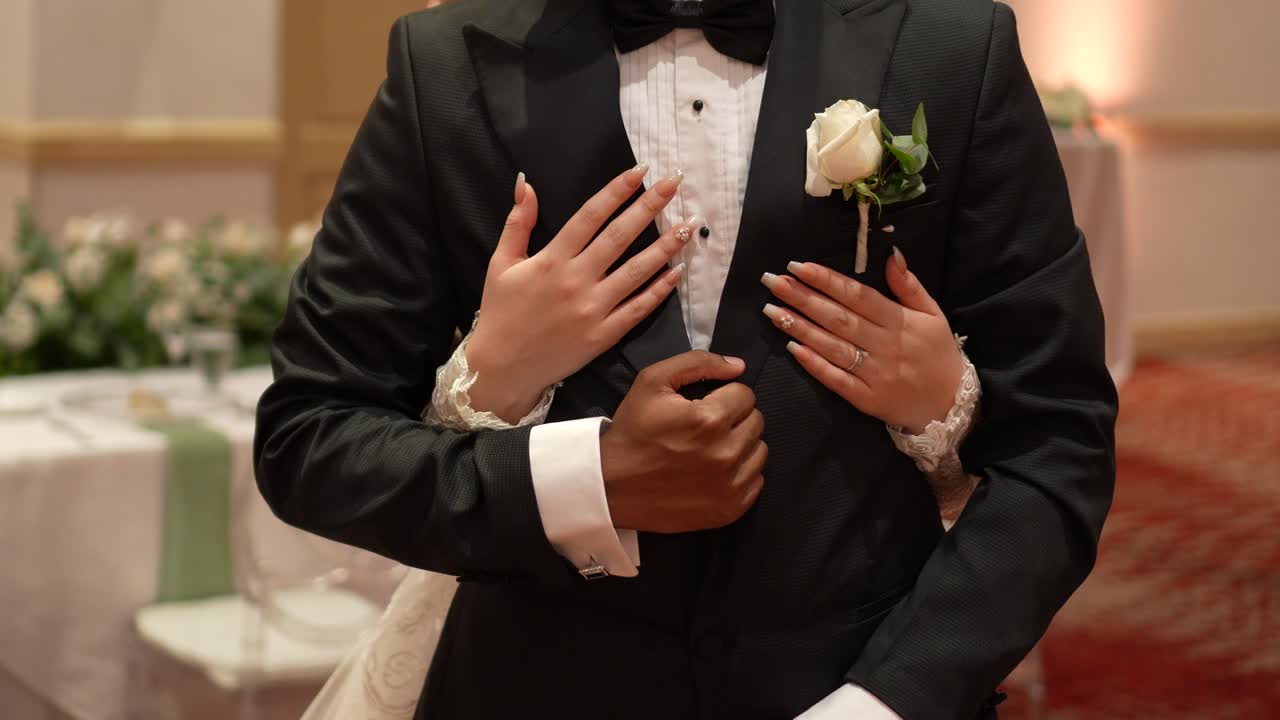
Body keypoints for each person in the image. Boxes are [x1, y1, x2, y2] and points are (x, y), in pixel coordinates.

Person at [254, 1, 1119, 718]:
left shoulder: (950, 46)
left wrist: (886, 700)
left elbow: (1058, 446)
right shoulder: (445, 62)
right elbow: (310, 439)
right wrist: (587, 479)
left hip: (859, 676)